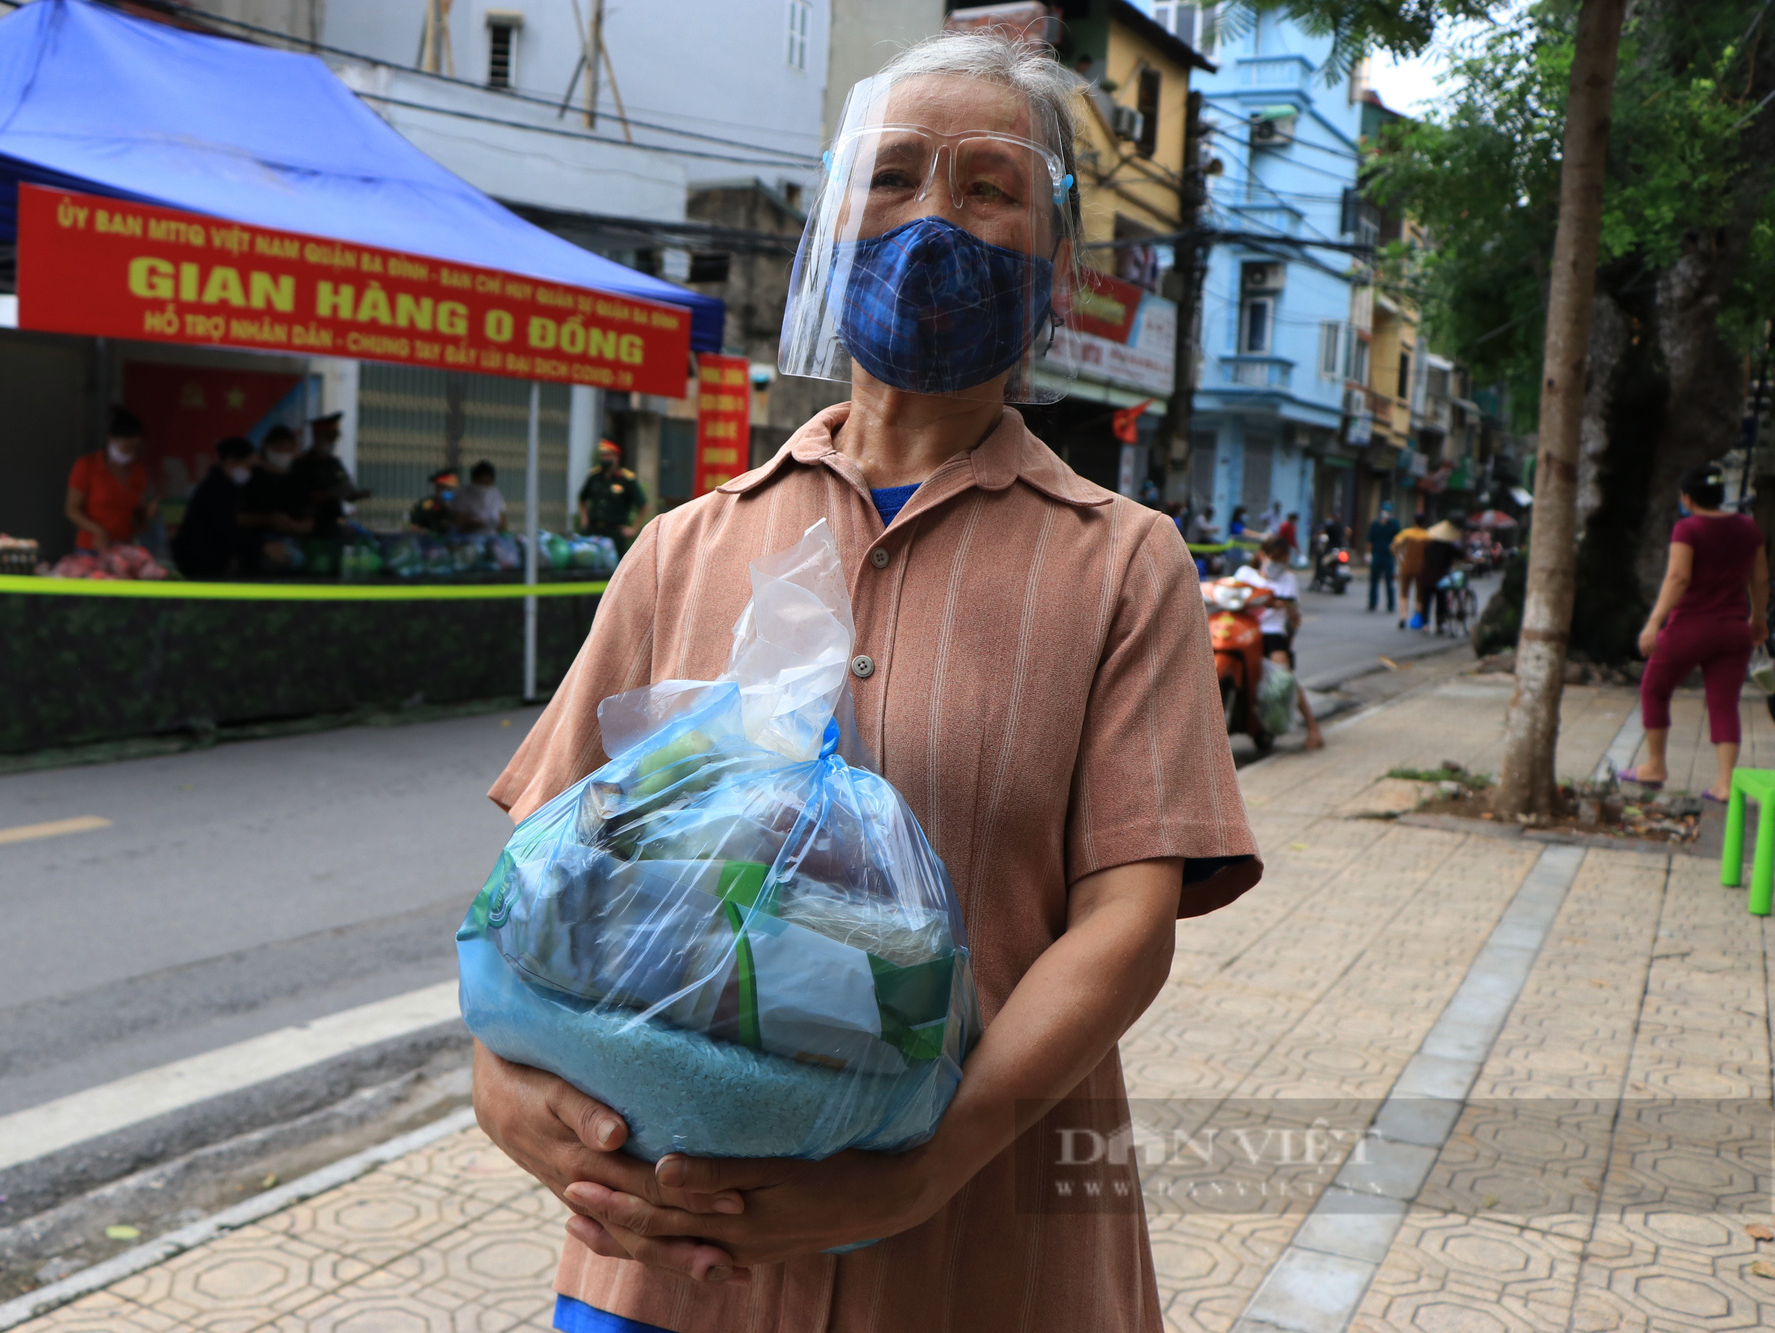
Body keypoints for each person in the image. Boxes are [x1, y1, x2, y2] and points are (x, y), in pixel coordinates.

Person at [472, 31, 1260, 1332]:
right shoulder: (684, 548)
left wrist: (925, 1165)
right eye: (892, 175)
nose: (935, 218)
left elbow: (1126, 926)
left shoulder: (1122, 566)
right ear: (831, 220)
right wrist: (502, 1084)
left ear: (1056, 257)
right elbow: (542, 885)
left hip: (982, 1254)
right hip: (667, 1263)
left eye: (989, 188)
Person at [1626, 463, 1768, 801]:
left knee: (1655, 689)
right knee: (1724, 703)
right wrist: (1757, 620)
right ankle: (1723, 785)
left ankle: (1655, 766)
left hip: (1691, 626)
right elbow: (1760, 579)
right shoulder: (1750, 529)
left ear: (1687, 498)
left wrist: (1654, 621)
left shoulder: (1688, 529)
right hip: (1734, 630)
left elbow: (1678, 577)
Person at [1235, 536, 1325, 750]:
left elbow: (1295, 621)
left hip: (1271, 634)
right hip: (1241, 630)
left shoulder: (1289, 580)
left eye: (1284, 561)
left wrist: (1289, 609)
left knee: (1285, 678)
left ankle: (1313, 728)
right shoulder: (1244, 574)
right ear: (1262, 556)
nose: (1279, 566)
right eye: (1276, 560)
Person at [65, 406, 156, 553]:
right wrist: (97, 530)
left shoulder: (137, 471)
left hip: (124, 548)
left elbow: (138, 511)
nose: (129, 453)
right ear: (110, 439)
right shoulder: (87, 465)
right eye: (126, 447)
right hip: (90, 548)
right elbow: (71, 509)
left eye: (134, 448)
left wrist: (148, 514)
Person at [171, 436, 262, 578]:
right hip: (200, 564)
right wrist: (261, 548)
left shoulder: (230, 487)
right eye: (247, 466)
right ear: (231, 462)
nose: (249, 472)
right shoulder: (215, 490)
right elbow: (226, 529)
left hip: (210, 561)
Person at [239, 426, 314, 569]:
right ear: (267, 448)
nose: (283, 453)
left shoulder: (299, 481)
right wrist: (268, 520)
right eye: (279, 448)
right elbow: (237, 518)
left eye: (288, 448)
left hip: (293, 549)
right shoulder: (251, 479)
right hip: (256, 549)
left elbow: (309, 523)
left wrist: (291, 525)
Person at [296, 412, 370, 540]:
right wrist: (331, 493)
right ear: (317, 436)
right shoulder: (303, 464)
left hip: (334, 528)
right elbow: (301, 495)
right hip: (312, 530)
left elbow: (346, 488)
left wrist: (355, 494)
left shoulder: (334, 463)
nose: (333, 441)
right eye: (329, 437)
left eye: (335, 437)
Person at [577, 440, 648, 552]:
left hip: (615, 532)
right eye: (602, 455)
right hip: (593, 530)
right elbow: (582, 498)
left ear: (616, 456)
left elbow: (643, 505)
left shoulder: (626, 479)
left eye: (607, 455)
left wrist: (634, 529)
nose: (604, 458)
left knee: (617, 566)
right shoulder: (594, 476)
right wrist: (584, 519)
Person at [1414, 518, 1463, 633]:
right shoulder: (1449, 547)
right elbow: (1461, 555)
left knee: (1426, 601)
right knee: (1441, 601)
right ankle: (1439, 624)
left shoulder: (1429, 546)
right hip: (1440, 578)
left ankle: (1425, 624)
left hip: (1425, 577)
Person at [453, 459, 509, 535]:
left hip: (491, 536)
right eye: (482, 482)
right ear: (475, 479)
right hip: (468, 537)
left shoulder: (494, 493)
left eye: (487, 483)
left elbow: (502, 521)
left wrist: (495, 524)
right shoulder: (464, 494)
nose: (484, 487)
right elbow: (459, 520)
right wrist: (475, 523)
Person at [1392, 517, 1429, 628]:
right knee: (1420, 593)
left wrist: (1400, 558)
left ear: (1414, 522)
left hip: (1407, 566)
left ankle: (1403, 616)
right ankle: (1418, 615)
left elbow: (1394, 546)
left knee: (1404, 591)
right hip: (1421, 567)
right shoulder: (1427, 535)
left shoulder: (1406, 533)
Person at [1366, 503, 1399, 612]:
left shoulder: (1394, 524)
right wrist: (1369, 554)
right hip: (1377, 555)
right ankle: (1372, 603)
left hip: (1389, 556)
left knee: (1389, 582)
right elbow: (1370, 540)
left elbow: (1398, 540)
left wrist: (1397, 554)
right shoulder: (1375, 524)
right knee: (1374, 581)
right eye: (1385, 511)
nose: (1386, 513)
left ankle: (1391, 605)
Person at [409, 468, 461, 534]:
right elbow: (415, 526)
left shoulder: (462, 504)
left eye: (451, 489)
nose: (447, 492)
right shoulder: (426, 505)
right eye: (443, 488)